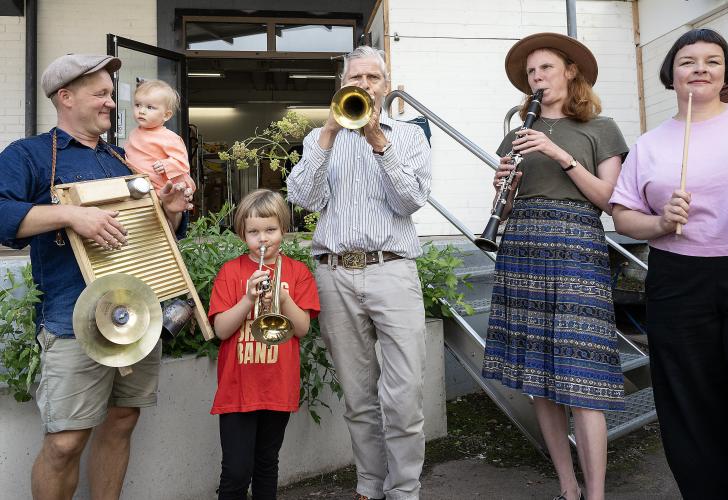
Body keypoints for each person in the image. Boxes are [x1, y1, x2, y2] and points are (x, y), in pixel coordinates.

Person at [610, 28, 728, 500]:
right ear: (670, 75)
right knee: (694, 408)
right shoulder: (651, 145)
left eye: (712, 61)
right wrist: (657, 223)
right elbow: (622, 214)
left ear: (726, 72)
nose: (700, 68)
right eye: (688, 61)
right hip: (681, 282)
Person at [0, 54, 192, 499]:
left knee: (123, 419)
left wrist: (168, 209)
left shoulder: (122, 159)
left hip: (136, 313)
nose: (112, 102)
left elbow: (155, 235)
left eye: (111, 93)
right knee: (65, 441)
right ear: (65, 98)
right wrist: (71, 215)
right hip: (73, 319)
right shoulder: (28, 155)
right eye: (101, 93)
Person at [481, 33, 628, 500]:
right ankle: (568, 487)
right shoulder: (516, 134)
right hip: (522, 248)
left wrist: (561, 155)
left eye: (546, 68)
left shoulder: (601, 129)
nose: (538, 77)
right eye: (531, 73)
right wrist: (501, 188)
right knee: (537, 379)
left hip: (577, 251)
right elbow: (503, 211)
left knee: (582, 379)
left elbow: (609, 200)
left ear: (570, 72)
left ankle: (597, 493)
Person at [286, 45, 432, 500]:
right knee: (358, 397)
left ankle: (405, 490)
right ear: (342, 85)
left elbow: (410, 202)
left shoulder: (409, 136)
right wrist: (328, 134)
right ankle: (369, 483)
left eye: (372, 78)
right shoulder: (317, 140)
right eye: (355, 78)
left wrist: (379, 144)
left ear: (385, 88)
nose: (364, 86)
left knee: (404, 395)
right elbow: (304, 198)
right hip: (334, 274)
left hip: (392, 270)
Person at [207, 188, 319, 500]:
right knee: (236, 470)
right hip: (238, 388)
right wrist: (247, 299)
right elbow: (221, 330)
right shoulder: (231, 272)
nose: (263, 239)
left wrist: (283, 297)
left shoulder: (297, 273)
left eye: (270, 230)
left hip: (277, 386)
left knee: (267, 465)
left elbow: (302, 328)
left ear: (283, 229)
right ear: (243, 234)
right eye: (254, 232)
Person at [124, 79, 196, 191]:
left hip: (161, 187)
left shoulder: (169, 138)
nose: (141, 111)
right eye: (138, 105)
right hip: (138, 185)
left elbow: (182, 162)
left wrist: (166, 165)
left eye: (150, 107)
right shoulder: (133, 133)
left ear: (166, 115)